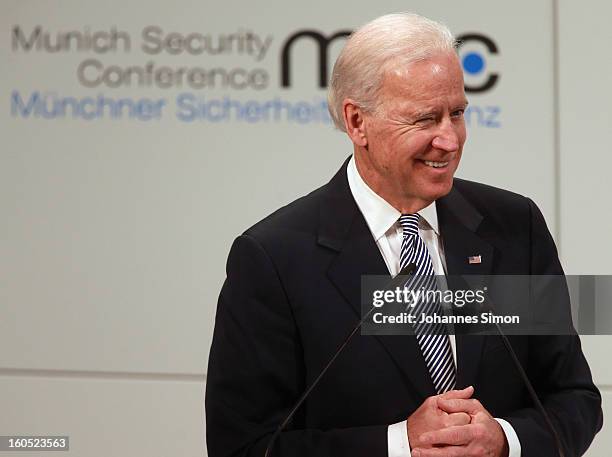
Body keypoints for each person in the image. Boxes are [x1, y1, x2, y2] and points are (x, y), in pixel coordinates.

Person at [205, 12, 602, 457]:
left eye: (457, 114)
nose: (450, 140)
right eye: (425, 119)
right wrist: (399, 443)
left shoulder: (514, 225)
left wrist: (505, 441)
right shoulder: (274, 258)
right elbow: (243, 447)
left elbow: (573, 398)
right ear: (357, 123)